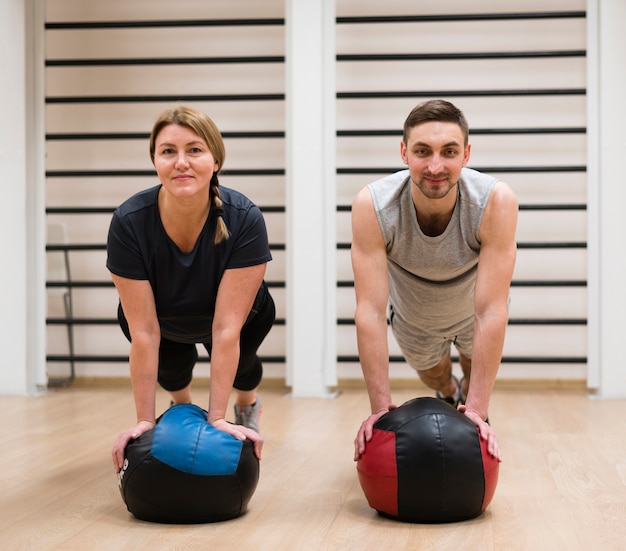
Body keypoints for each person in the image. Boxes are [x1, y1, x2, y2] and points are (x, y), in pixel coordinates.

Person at [107, 106, 275, 473]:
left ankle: (247, 406)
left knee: (242, 369)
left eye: (194, 150)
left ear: (215, 160)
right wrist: (144, 422)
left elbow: (226, 328)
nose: (181, 162)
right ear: (155, 160)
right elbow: (145, 332)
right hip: (162, 318)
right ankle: (180, 409)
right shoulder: (128, 222)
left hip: (239, 317)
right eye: (168, 151)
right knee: (172, 372)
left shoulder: (244, 217)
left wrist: (218, 419)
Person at [351, 99, 518, 463]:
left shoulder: (495, 201)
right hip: (416, 319)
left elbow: (490, 311)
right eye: (423, 151)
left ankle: (467, 401)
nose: (435, 166)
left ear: (466, 154)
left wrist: (477, 410)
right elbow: (370, 311)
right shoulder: (373, 205)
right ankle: (448, 390)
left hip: (473, 311)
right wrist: (379, 409)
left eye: (449, 152)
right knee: (437, 377)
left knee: (474, 374)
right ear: (403, 152)